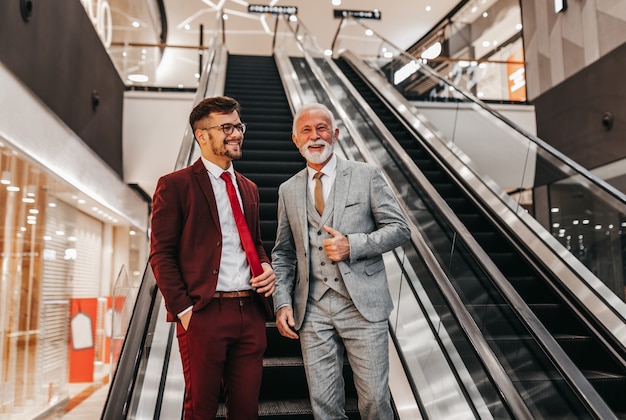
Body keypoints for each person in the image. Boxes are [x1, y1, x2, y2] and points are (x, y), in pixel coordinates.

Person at [271, 102, 410, 419]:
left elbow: (400, 229)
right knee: (324, 406)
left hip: (362, 306)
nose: (314, 136)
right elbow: (283, 252)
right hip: (312, 310)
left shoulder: (366, 175)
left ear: (335, 133)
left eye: (321, 128)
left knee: (375, 400)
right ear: (295, 139)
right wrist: (282, 302)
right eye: (306, 130)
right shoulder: (288, 190)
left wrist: (354, 245)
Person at [149, 95, 276, 419]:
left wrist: (265, 266)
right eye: (227, 127)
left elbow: (256, 243)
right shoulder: (175, 185)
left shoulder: (248, 187)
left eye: (238, 126)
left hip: (250, 312)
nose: (237, 133)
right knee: (201, 410)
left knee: (246, 411)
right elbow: (161, 254)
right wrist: (185, 310)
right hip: (204, 313)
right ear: (202, 135)